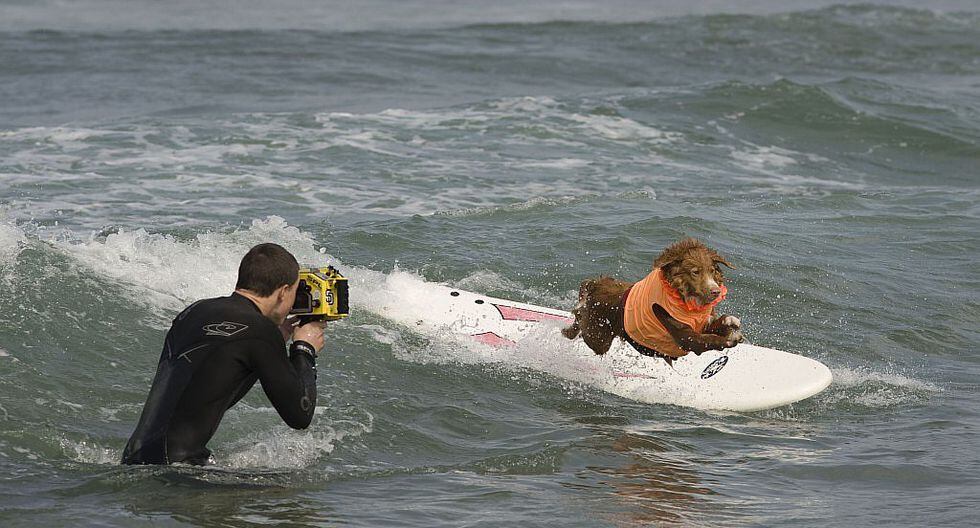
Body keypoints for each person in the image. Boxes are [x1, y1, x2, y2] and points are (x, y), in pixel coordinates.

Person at [121, 243, 325, 465]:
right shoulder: (260, 332)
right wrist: (304, 349)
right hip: (179, 469)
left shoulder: (194, 311)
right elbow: (300, 415)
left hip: (134, 458)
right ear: (283, 292)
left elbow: (209, 393)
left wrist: (274, 344)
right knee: (287, 490)